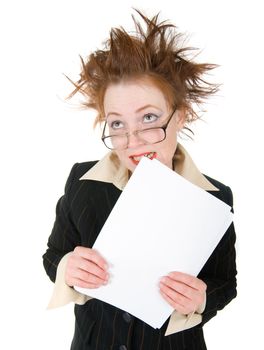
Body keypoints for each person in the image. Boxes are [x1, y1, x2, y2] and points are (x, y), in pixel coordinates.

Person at [43, 10, 237, 350]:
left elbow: (224, 281)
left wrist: (202, 300)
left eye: (149, 118)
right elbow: (54, 255)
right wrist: (67, 269)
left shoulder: (215, 198)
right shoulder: (82, 183)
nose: (133, 140)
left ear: (180, 116)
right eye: (117, 124)